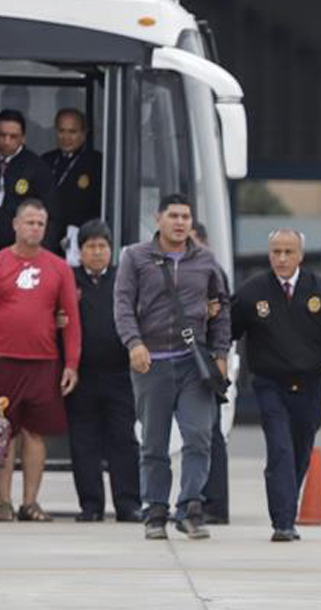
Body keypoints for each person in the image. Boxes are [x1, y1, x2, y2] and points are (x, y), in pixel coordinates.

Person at [114, 193, 231, 541]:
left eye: (185, 217)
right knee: (153, 443)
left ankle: (190, 506)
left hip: (195, 363)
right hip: (151, 364)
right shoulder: (135, 258)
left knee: (199, 436)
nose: (180, 223)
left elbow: (222, 307)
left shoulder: (207, 262)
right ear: (158, 218)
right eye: (174, 216)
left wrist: (221, 353)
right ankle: (155, 509)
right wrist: (133, 343)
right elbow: (122, 304)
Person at [231, 228, 321, 542]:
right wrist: (218, 357)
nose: (282, 258)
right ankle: (283, 522)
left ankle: (289, 506)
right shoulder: (252, 292)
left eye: (289, 252)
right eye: (276, 251)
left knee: (300, 452)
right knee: (280, 450)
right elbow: (227, 330)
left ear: (301, 255)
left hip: (311, 385)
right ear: (269, 253)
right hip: (269, 384)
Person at [0, 199, 81, 522]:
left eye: (40, 224)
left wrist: (71, 363)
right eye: (29, 222)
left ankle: (30, 502)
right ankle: (3, 502)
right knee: (4, 432)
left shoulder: (59, 268)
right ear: (15, 225)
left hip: (44, 361)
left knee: (35, 433)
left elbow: (71, 319)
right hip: (1, 360)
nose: (35, 228)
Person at [66, 220, 142, 523]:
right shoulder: (69, 281)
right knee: (84, 442)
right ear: (80, 251)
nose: (97, 253)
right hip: (82, 376)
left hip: (119, 375)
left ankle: (128, 503)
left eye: (103, 247)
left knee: (123, 440)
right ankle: (91, 505)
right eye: (91, 247)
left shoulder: (124, 280)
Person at [0, 109, 54, 308]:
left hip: (15, 252)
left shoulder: (36, 167)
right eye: (1, 135)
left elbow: (50, 213)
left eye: (13, 136)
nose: (6, 141)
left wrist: (40, 253)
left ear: (23, 137)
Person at [194, 221, 231, 525]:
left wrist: (221, 356)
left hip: (205, 360)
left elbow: (223, 319)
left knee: (209, 431)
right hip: (177, 356)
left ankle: (215, 504)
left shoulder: (212, 272)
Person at [42, 108, 102, 255]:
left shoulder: (96, 163)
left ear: (83, 133)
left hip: (79, 242)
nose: (66, 137)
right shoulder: (46, 161)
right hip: (46, 239)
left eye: (72, 132)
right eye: (62, 131)